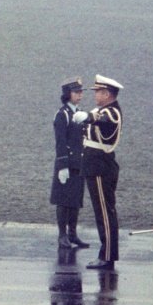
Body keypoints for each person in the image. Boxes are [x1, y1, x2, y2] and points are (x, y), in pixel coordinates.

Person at [81, 75, 123, 270]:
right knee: (103, 211)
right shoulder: (103, 109)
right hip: (94, 165)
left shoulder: (111, 112)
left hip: (100, 166)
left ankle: (107, 256)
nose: (95, 95)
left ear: (107, 94)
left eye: (98, 92)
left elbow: (103, 120)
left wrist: (88, 117)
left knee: (104, 213)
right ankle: (106, 254)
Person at [50, 77, 90, 249]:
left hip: (78, 163)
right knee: (63, 201)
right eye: (76, 92)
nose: (80, 95)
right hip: (67, 164)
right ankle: (62, 235)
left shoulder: (78, 113)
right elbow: (60, 142)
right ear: (68, 94)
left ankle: (73, 234)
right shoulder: (63, 115)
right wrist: (62, 165)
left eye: (81, 92)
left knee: (75, 200)